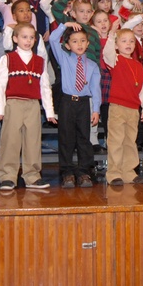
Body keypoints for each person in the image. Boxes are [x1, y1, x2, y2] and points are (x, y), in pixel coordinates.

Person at [0, 22, 57, 191]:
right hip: (13, 103)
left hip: (33, 105)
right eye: (24, 37)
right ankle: (7, 176)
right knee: (10, 140)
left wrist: (49, 111)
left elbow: (45, 87)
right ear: (15, 38)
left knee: (33, 140)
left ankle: (32, 176)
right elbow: (0, 85)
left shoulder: (40, 61)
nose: (28, 41)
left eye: (31, 38)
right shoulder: (7, 59)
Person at [48, 22, 101, 188]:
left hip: (84, 103)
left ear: (88, 43)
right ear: (67, 45)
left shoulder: (92, 65)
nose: (79, 44)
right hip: (67, 102)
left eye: (82, 40)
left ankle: (84, 172)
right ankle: (67, 172)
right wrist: (65, 25)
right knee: (66, 139)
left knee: (84, 139)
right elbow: (52, 38)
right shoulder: (64, 58)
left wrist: (96, 109)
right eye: (75, 41)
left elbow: (95, 89)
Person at [103, 23, 143, 186]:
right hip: (117, 107)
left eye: (131, 41)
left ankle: (129, 172)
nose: (128, 44)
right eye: (123, 41)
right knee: (116, 141)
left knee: (130, 141)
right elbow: (107, 53)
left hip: (133, 109)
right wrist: (111, 35)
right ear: (117, 45)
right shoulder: (115, 60)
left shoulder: (138, 65)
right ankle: (114, 173)